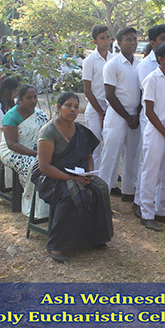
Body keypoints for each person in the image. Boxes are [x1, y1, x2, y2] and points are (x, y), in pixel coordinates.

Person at [36, 92, 114, 263]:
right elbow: (45, 167)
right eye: (68, 105)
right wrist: (72, 179)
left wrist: (89, 175)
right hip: (52, 177)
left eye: (76, 107)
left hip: (78, 173)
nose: (73, 110)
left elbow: (88, 157)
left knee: (101, 188)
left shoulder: (80, 130)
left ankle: (96, 237)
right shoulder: (48, 132)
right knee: (70, 194)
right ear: (58, 107)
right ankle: (57, 245)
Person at [139, 43, 165, 232]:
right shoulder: (152, 79)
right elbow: (149, 110)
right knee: (151, 171)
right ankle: (146, 212)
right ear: (161, 59)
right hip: (157, 130)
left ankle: (160, 208)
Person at [98, 27, 141, 201]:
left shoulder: (139, 65)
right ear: (119, 43)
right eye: (128, 40)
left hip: (134, 116)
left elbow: (142, 92)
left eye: (134, 39)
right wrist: (127, 117)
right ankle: (102, 195)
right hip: (117, 115)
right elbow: (110, 94)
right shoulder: (113, 65)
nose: (133, 43)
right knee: (111, 156)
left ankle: (129, 191)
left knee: (132, 155)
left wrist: (136, 114)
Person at [0, 84, 49, 217]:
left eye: (35, 97)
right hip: (13, 152)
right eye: (29, 98)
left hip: (35, 151)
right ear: (20, 99)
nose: (33, 100)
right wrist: (37, 154)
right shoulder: (11, 116)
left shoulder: (40, 115)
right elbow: (12, 144)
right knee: (36, 167)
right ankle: (32, 205)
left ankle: (48, 205)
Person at [82, 25, 112, 170]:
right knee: (95, 147)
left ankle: (108, 177)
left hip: (112, 107)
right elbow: (87, 90)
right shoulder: (90, 61)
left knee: (111, 144)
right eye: (102, 38)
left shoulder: (114, 59)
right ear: (95, 41)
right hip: (95, 107)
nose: (106, 41)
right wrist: (100, 112)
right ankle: (94, 178)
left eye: (108, 37)